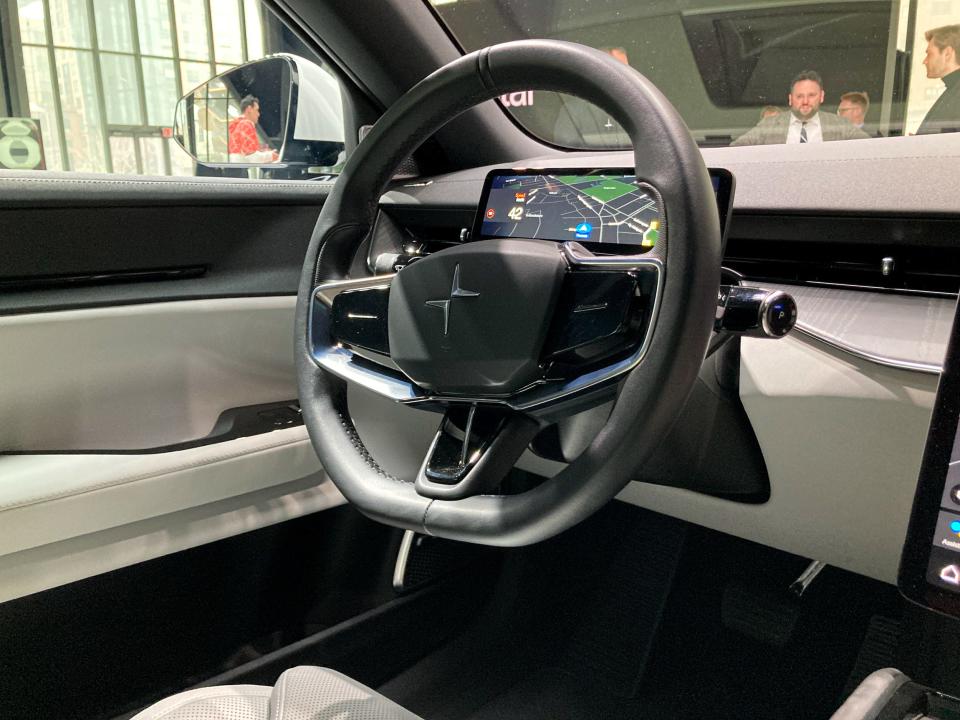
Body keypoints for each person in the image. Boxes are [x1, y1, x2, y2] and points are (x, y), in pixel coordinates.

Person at [731, 70, 869, 146]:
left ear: (821, 96)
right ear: (790, 99)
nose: (805, 101)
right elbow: (736, 149)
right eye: (799, 96)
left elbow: (870, 148)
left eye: (811, 95)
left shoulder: (839, 125)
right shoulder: (770, 125)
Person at [553, 47, 631, 148]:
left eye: (628, 71)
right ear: (598, 71)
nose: (627, 77)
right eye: (620, 71)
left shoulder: (640, 108)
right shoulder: (572, 112)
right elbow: (565, 155)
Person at [917, 25, 960, 135]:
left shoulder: (955, 92)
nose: (924, 61)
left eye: (929, 54)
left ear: (947, 53)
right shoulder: (953, 90)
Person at [228, 95, 278, 161]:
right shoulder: (246, 124)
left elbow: (247, 151)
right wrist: (271, 156)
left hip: (236, 168)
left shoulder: (237, 125)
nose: (258, 114)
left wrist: (265, 151)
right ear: (249, 109)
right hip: (241, 170)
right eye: (256, 110)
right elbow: (251, 156)